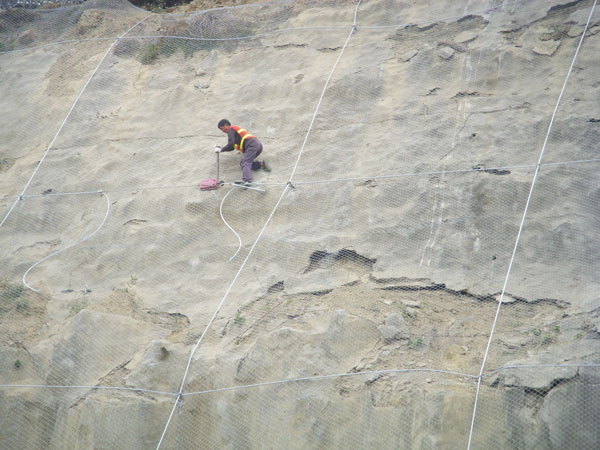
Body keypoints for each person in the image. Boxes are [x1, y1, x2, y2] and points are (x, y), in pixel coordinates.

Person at [215, 119, 271, 185]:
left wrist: (221, 150)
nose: (223, 131)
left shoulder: (231, 129)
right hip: (257, 146)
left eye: (222, 128)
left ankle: (247, 181)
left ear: (226, 125)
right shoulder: (235, 135)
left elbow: (230, 144)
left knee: (246, 162)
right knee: (243, 164)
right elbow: (231, 147)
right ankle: (261, 164)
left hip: (251, 145)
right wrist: (222, 149)